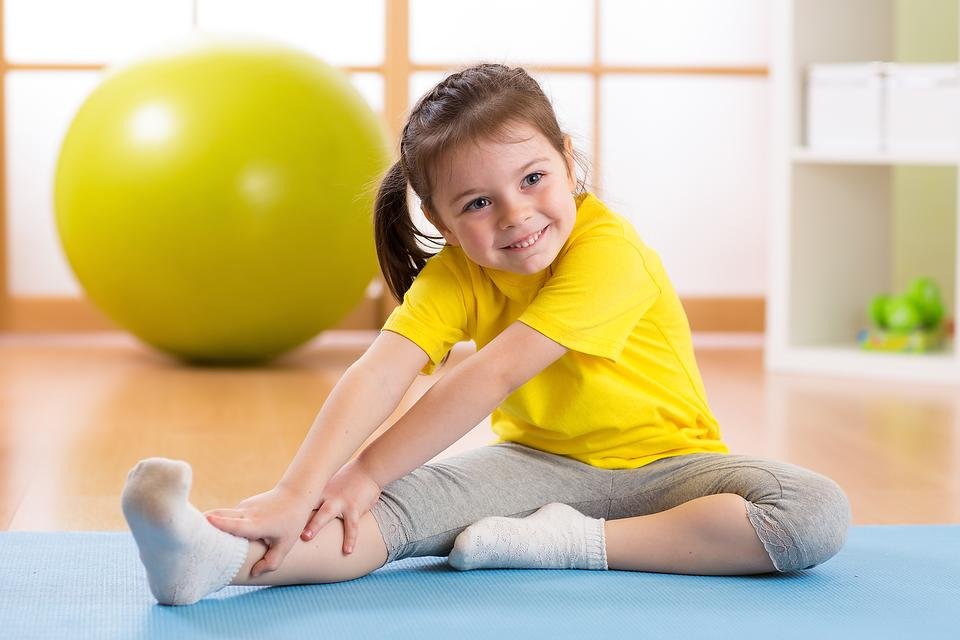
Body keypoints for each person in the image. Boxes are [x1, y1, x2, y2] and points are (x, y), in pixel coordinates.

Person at [121, 63, 851, 606]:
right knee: (368, 515)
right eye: (478, 202)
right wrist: (300, 488)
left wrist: (368, 468)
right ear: (440, 220)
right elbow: (381, 371)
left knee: (812, 515)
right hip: (534, 468)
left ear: (568, 160)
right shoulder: (457, 275)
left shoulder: (610, 253)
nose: (515, 215)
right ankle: (211, 559)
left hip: (668, 474)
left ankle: (565, 545)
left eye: (533, 178)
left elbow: (491, 375)